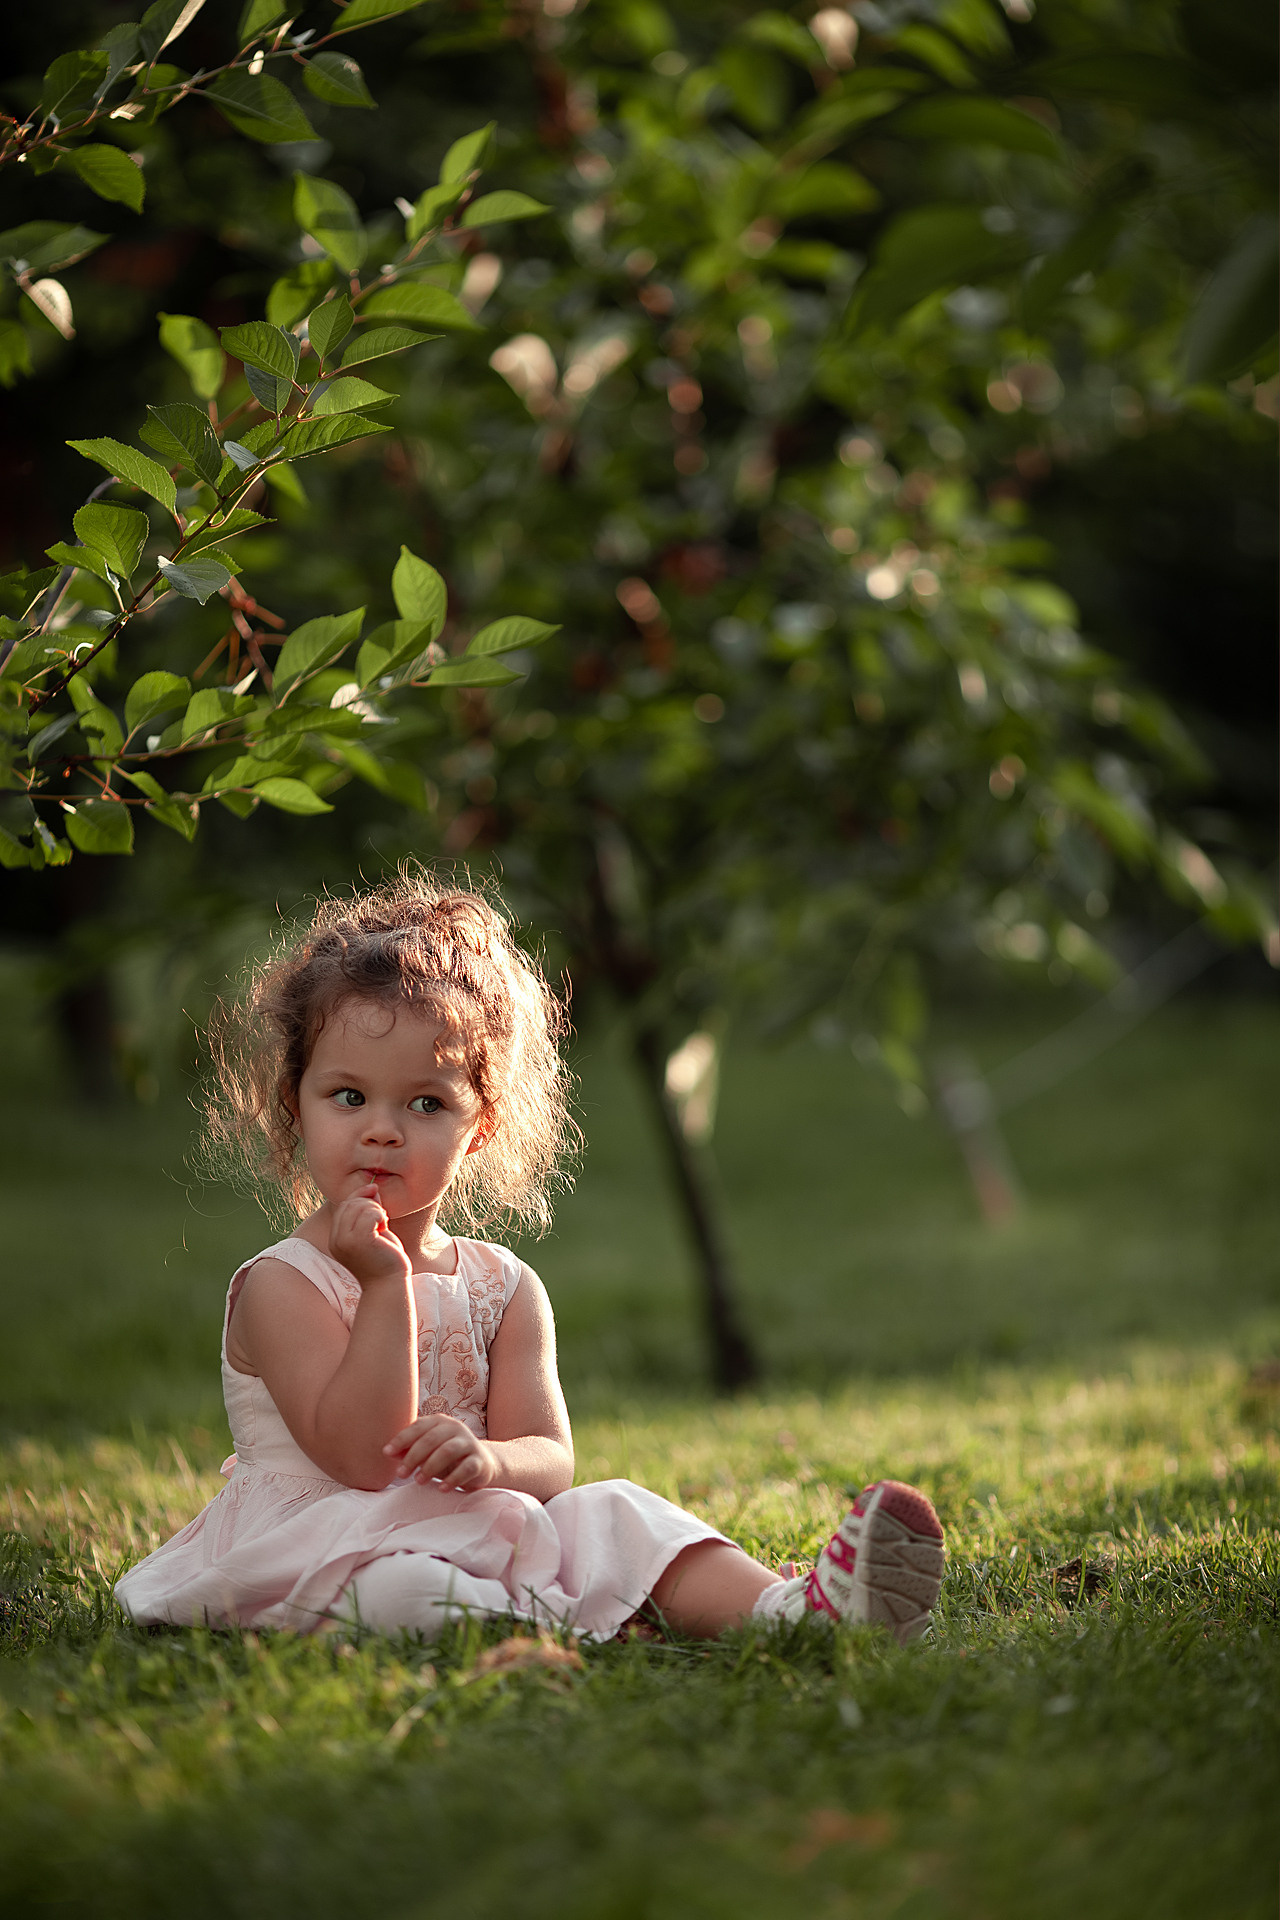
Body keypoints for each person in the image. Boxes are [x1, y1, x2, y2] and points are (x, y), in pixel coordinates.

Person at [114, 872, 945, 1644]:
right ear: (296, 1100)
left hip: (471, 1527)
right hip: (326, 1547)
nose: (381, 1128)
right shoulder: (282, 1284)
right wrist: (385, 1285)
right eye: (348, 1095)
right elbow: (364, 1462)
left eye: (426, 1103)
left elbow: (550, 1457)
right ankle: (576, 1621)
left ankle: (792, 1611)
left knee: (619, 1511)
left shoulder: (503, 1286)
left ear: (476, 1131)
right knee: (405, 1590)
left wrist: (492, 1461)